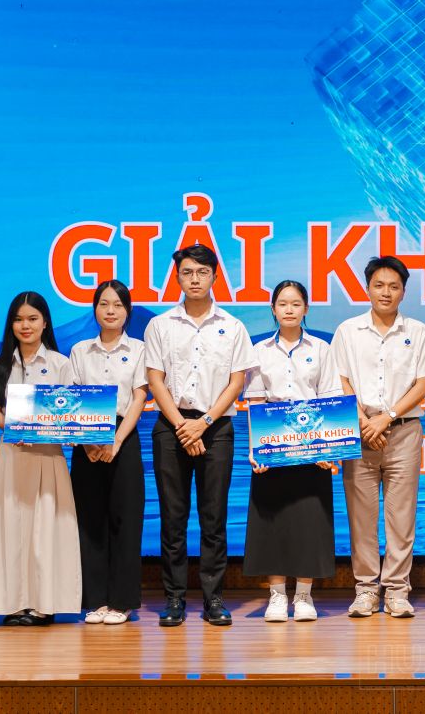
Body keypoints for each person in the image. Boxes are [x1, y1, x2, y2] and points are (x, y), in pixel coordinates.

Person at [145, 243, 255, 627]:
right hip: (171, 425)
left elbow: (237, 382)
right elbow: (155, 379)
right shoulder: (160, 325)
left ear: (214, 276)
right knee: (172, 517)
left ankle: (214, 599)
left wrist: (203, 423)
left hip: (216, 426)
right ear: (177, 277)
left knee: (214, 516)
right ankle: (174, 598)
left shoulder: (233, 327)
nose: (195, 279)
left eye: (202, 272)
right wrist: (182, 425)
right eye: (188, 272)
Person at [333, 255, 425, 618]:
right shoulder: (348, 331)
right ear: (367, 288)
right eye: (379, 285)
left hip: (404, 431)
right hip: (359, 431)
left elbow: (424, 383)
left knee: (401, 517)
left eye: (394, 286)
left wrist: (387, 418)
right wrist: (366, 422)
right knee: (361, 518)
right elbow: (341, 379)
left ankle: (396, 590)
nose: (386, 292)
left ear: (403, 292)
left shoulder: (418, 332)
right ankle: (365, 590)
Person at [0, 291, 81, 624]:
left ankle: (44, 605)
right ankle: (11, 604)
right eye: (19, 319)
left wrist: (61, 432)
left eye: (32, 319)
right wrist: (14, 426)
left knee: (46, 529)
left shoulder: (60, 364)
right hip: (11, 454)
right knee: (10, 526)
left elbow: (72, 413)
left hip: (48, 457)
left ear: (45, 322)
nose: (25, 325)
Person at [244, 280, 341, 623]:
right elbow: (256, 402)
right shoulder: (259, 350)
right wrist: (256, 449)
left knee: (309, 520)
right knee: (273, 519)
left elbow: (329, 399)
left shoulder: (322, 348)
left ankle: (303, 596)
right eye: (282, 303)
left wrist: (329, 448)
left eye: (296, 303)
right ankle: (276, 595)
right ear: (273, 309)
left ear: (306, 309)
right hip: (273, 444)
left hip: (312, 445)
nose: (289, 309)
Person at [68, 280, 148, 625]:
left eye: (117, 304)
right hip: (85, 438)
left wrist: (115, 441)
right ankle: (95, 599)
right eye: (104, 304)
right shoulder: (79, 350)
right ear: (95, 309)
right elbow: (72, 398)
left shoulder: (140, 349)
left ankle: (122, 601)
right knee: (90, 520)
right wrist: (88, 442)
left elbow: (140, 398)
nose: (110, 311)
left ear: (127, 310)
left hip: (123, 436)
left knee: (125, 519)